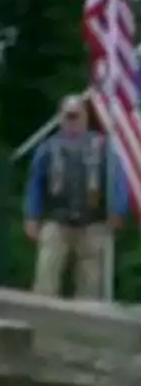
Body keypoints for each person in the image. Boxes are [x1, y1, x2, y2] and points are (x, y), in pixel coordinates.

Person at [24, 93, 128, 298]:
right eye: (68, 116)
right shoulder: (48, 147)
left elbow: (117, 179)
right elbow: (35, 182)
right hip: (57, 219)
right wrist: (32, 215)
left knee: (91, 284)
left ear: (85, 117)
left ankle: (86, 329)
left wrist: (117, 209)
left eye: (76, 115)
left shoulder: (102, 146)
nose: (72, 121)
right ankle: (42, 326)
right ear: (60, 118)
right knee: (46, 274)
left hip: (92, 222)